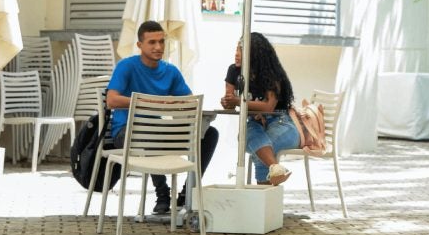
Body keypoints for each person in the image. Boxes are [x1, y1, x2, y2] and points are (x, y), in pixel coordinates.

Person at [106, 20, 218, 216]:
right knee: (152, 134)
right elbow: (112, 100)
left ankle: (187, 193)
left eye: (161, 41)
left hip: (157, 132)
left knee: (209, 133)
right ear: (140, 45)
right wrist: (152, 103)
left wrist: (179, 105)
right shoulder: (126, 66)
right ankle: (162, 194)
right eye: (152, 42)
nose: (158, 47)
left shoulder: (171, 71)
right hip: (126, 132)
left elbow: (189, 102)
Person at [221, 32, 298, 186]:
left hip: (281, 122)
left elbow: (269, 107)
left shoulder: (270, 73)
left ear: (255, 54)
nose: (236, 54)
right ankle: (275, 169)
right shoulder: (234, 71)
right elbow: (230, 100)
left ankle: (262, 203)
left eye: (241, 50)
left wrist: (237, 101)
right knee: (248, 135)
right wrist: (227, 101)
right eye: (236, 49)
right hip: (255, 122)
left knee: (260, 152)